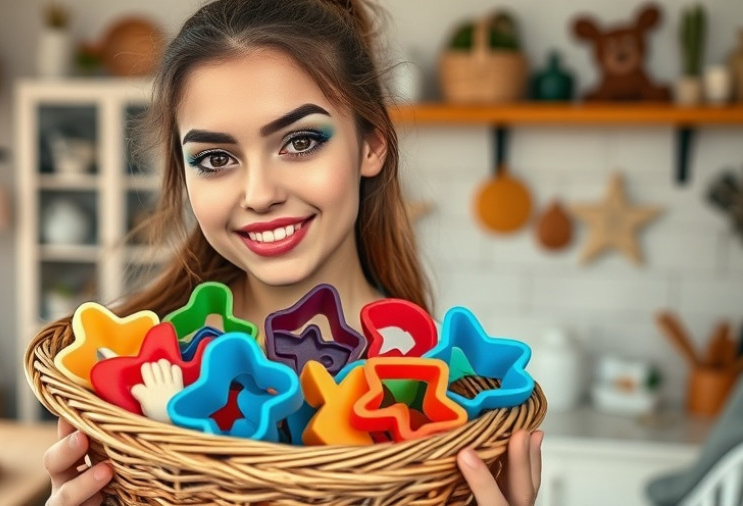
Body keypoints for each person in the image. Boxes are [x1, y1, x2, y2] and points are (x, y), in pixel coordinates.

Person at [43, 0, 544, 504]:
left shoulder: (445, 392)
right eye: (215, 158)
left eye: (300, 141)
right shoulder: (130, 370)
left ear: (371, 144)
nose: (260, 194)